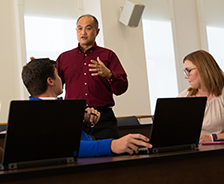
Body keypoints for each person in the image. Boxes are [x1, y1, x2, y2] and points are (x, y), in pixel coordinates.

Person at [22, 58, 151, 156]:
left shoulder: (54, 107)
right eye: (57, 74)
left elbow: (70, 136)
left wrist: (85, 124)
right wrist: (112, 145)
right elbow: (66, 146)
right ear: (50, 81)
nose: (61, 78)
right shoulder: (38, 113)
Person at [56, 14, 128, 140]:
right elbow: (54, 88)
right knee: (74, 157)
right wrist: (41, 70)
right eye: (79, 28)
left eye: (88, 28)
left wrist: (110, 74)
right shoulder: (64, 58)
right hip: (74, 117)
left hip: (104, 119)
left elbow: (121, 89)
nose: (83, 32)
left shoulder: (108, 56)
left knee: (111, 156)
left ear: (97, 31)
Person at [178, 50, 224, 143]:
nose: (186, 76)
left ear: (203, 69)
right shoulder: (185, 96)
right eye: (185, 72)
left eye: (188, 71)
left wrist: (211, 138)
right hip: (195, 152)